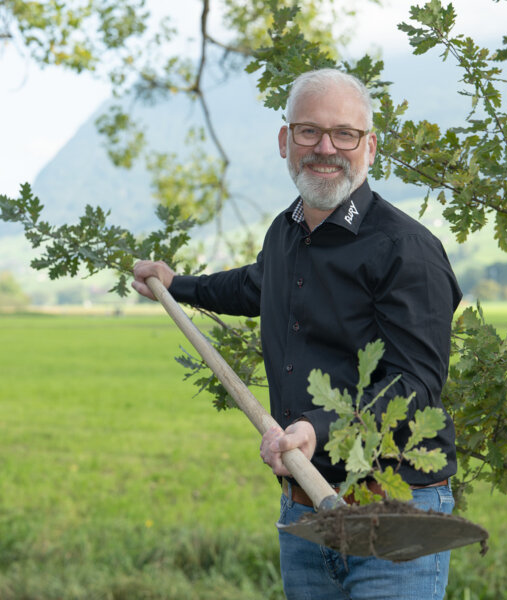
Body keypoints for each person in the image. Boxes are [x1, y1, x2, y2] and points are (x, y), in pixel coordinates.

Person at [132, 68, 462, 600]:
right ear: (286, 140)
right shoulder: (287, 231)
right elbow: (257, 285)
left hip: (395, 514)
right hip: (305, 512)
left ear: (369, 147)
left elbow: (416, 387)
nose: (325, 147)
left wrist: (316, 428)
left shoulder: (406, 250)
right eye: (308, 131)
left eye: (344, 134)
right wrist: (179, 285)